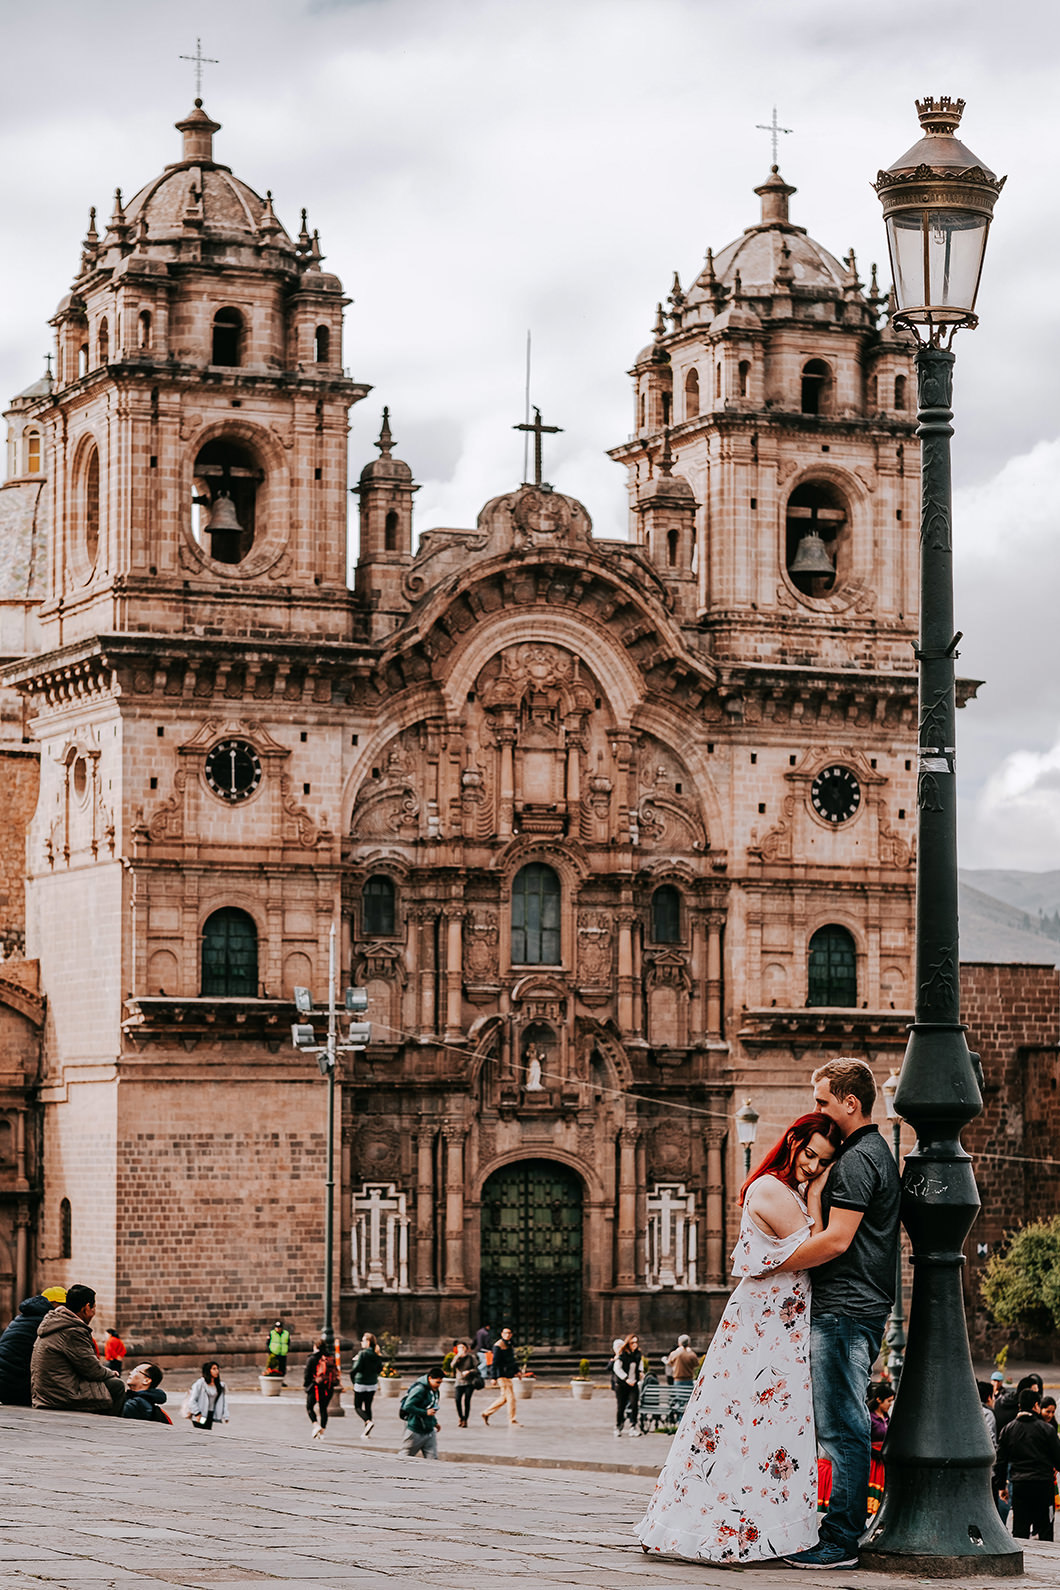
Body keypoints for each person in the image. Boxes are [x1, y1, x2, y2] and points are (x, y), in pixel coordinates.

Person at [636, 1111, 840, 1565]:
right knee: (745, 1423)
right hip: (764, 1324)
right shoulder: (771, 1189)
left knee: (767, 1425)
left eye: (824, 1162)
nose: (813, 1166)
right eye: (810, 1154)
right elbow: (819, 1248)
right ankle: (727, 1528)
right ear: (792, 1142)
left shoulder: (789, 1190)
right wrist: (822, 1193)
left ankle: (759, 1527)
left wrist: (814, 1189)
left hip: (777, 1322)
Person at [780, 1059, 900, 1571]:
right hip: (856, 1307)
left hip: (845, 1308)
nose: (817, 1111)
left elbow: (836, 1240)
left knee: (842, 1426)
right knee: (840, 1423)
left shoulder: (857, 1160)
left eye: (823, 1101)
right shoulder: (874, 1153)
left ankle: (840, 1540)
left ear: (851, 1103)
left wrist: (771, 1266)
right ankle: (837, 1533)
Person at [30, 1284, 125, 1414]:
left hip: (46, 1391)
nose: (94, 1313)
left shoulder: (55, 1322)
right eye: (94, 1308)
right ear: (86, 1308)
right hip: (60, 1394)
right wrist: (110, 1373)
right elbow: (92, 1370)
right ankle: (110, 1422)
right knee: (116, 1385)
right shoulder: (73, 1331)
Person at [995, 1388, 1060, 1541]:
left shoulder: (1008, 1429)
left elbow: (1001, 1462)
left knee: (1020, 1531)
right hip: (1043, 1485)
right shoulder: (1046, 1429)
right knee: (1045, 1529)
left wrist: (1001, 1487)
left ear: (1020, 1406)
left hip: (1020, 1485)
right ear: (1036, 1406)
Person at [0, 1288, 64, 1405]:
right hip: (16, 1386)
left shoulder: (21, 1318)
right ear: (53, 1304)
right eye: (63, 1305)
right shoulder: (46, 1323)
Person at [399, 1365, 444, 1458]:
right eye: (437, 1382)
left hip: (429, 1430)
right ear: (430, 1378)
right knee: (405, 1457)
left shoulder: (434, 1390)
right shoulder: (419, 1389)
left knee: (433, 1459)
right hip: (415, 1430)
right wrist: (425, 1412)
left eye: (440, 1383)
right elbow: (408, 1406)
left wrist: (434, 1423)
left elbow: (431, 1407)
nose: (439, 1385)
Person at [481, 1325, 520, 1427]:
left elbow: (512, 1360)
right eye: (505, 1333)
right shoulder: (498, 1345)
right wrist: (493, 1377)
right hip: (501, 1374)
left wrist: (517, 1371)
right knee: (511, 1398)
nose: (507, 1335)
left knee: (504, 1398)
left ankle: (486, 1413)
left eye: (509, 1333)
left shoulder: (510, 1344)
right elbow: (495, 1362)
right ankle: (512, 1419)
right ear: (502, 1334)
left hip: (508, 1374)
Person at [866, 1383, 892, 1520]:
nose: (890, 1405)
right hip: (873, 1459)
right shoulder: (870, 1418)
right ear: (879, 1400)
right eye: (888, 1401)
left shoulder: (887, 1418)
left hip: (882, 1460)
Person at [303, 1337, 339, 1440]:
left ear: (315, 1346)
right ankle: (322, 1431)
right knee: (323, 1409)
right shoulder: (330, 1357)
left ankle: (316, 1425)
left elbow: (307, 1374)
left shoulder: (312, 1358)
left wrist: (307, 1386)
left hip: (315, 1387)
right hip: (328, 1387)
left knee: (310, 1407)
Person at [349, 1330, 383, 1437]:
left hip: (361, 1382)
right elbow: (379, 1369)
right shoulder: (377, 1355)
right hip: (372, 1383)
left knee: (357, 1406)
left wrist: (353, 1380)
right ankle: (367, 1431)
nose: (361, 1342)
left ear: (368, 1342)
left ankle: (368, 1421)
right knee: (368, 1406)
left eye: (363, 1340)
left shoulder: (362, 1354)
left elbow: (356, 1369)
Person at [612, 1333, 645, 1438]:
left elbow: (640, 1364)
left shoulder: (637, 1354)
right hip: (622, 1384)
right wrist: (626, 1379)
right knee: (621, 1406)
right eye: (632, 1342)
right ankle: (618, 1426)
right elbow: (617, 1368)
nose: (635, 1344)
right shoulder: (622, 1354)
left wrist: (641, 1372)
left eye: (636, 1342)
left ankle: (633, 1426)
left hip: (633, 1384)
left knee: (634, 1404)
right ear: (628, 1343)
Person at [186, 1361, 228, 1430]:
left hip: (211, 1414)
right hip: (201, 1414)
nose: (217, 1371)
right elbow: (192, 1400)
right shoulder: (200, 1384)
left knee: (208, 1431)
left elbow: (223, 1401)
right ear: (208, 1371)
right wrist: (197, 1413)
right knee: (202, 1431)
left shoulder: (220, 1385)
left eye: (217, 1368)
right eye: (214, 1369)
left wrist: (226, 1415)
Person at [451, 1340, 478, 1427]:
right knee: (457, 1400)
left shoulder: (471, 1357)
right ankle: (461, 1417)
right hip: (459, 1381)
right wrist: (457, 1357)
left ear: (466, 1348)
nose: (461, 1349)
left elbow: (476, 1369)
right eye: (459, 1347)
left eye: (462, 1347)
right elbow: (452, 1366)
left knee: (467, 1401)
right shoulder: (456, 1357)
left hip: (469, 1382)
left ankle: (465, 1419)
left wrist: (469, 1371)